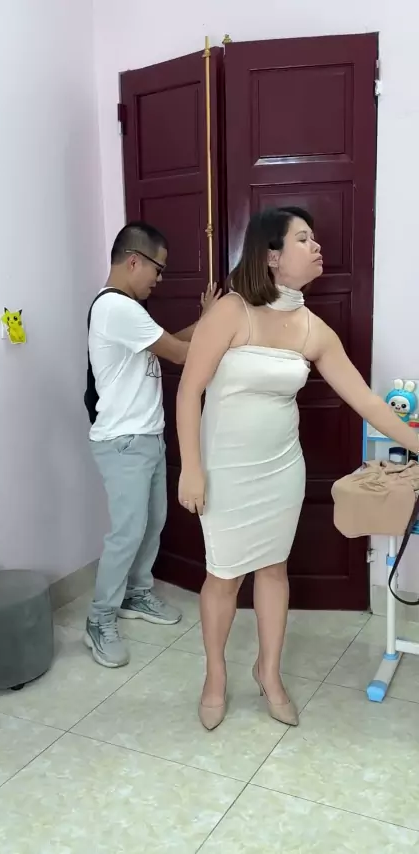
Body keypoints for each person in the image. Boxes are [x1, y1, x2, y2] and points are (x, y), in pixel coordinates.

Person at [176, 206, 419, 730]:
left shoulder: (313, 328)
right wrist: (190, 468)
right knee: (223, 575)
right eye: (303, 239)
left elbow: (368, 403)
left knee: (272, 569)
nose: (316, 247)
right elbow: (189, 391)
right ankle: (215, 676)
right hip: (224, 470)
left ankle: (269, 672)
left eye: (314, 238)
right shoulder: (231, 312)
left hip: (281, 470)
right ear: (271, 255)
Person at [86, 221, 220, 668]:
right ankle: (99, 618)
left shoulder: (128, 310)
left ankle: (137, 594)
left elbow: (170, 343)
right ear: (133, 261)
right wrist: (221, 327)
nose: (158, 279)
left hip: (146, 437)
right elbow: (181, 354)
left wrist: (206, 321)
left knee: (152, 522)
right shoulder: (116, 308)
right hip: (124, 442)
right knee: (127, 532)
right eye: (157, 269)